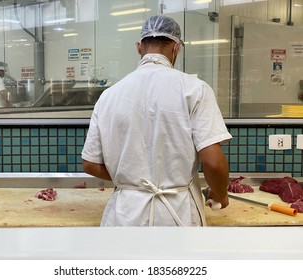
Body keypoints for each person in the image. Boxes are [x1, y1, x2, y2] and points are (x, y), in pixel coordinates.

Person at [81, 15, 232, 226]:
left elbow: (90, 164)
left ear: (138, 48)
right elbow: (213, 163)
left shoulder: (109, 95)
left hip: (125, 214)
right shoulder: (195, 90)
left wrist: (130, 179)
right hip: (177, 215)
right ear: (176, 48)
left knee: (123, 259)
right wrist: (220, 193)